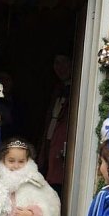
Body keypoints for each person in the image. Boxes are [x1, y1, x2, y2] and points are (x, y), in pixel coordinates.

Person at [38, 53, 72, 193]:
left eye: (64, 62)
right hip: (49, 144)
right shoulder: (57, 89)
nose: (60, 67)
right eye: (57, 63)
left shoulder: (75, 90)